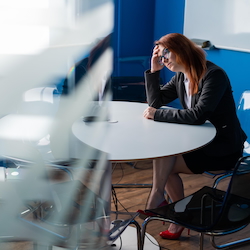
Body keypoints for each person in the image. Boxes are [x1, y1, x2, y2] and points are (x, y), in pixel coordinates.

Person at [138, 33, 247, 240]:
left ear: (181, 50)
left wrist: (158, 114)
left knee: (166, 164)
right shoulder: (181, 76)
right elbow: (155, 102)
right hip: (199, 143)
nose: (164, 60)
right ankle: (176, 211)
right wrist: (154, 71)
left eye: (165, 55)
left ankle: (166, 205)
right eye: (160, 57)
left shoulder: (213, 75)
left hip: (223, 148)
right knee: (164, 156)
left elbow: (198, 115)